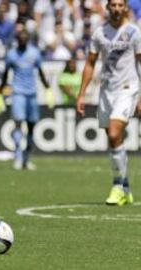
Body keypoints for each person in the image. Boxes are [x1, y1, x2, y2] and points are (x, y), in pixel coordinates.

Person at [76, 0, 141, 206]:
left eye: (120, 5)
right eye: (113, 5)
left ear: (125, 9)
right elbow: (90, 63)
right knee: (114, 140)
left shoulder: (134, 32)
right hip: (106, 91)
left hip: (127, 89)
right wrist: (81, 94)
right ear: (107, 8)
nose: (117, 9)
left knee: (114, 133)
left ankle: (117, 186)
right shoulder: (99, 34)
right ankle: (126, 188)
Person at [0, 29, 53, 170]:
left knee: (32, 127)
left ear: (27, 39)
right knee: (18, 123)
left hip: (32, 94)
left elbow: (40, 71)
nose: (22, 40)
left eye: (25, 38)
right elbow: (5, 74)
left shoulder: (34, 53)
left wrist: (48, 88)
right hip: (18, 93)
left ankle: (26, 159)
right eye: (20, 38)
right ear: (17, 39)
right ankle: (18, 156)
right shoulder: (11, 55)